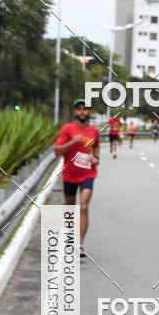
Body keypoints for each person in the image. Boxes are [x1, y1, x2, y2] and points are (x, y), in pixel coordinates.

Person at [54, 99, 100, 259]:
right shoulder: (67, 129)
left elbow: (96, 147)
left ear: (89, 112)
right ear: (75, 112)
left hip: (88, 173)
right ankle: (69, 234)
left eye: (85, 109)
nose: (82, 112)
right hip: (70, 174)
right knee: (70, 208)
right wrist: (73, 142)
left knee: (84, 206)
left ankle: (79, 245)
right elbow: (57, 151)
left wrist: (97, 158)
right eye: (79, 109)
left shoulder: (94, 131)